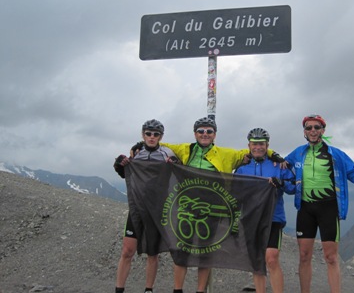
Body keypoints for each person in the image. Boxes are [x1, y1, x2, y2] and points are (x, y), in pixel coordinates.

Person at [156, 117, 283, 293]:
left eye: (209, 131)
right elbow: (160, 144)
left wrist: (273, 154)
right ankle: (177, 290)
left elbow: (256, 150)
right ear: (195, 134)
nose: (205, 134)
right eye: (201, 131)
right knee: (181, 251)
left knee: (205, 253)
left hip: (212, 209)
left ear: (215, 134)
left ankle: (200, 291)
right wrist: (138, 146)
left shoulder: (226, 154)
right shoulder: (185, 149)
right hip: (187, 208)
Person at [284, 114, 354, 293]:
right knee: (303, 256)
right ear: (304, 131)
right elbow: (282, 168)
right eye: (308, 128)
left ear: (323, 130)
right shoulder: (297, 153)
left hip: (329, 208)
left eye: (316, 127)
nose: (312, 131)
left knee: (331, 257)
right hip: (305, 208)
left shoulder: (337, 155)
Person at [113, 119, 177, 293]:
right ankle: (119, 289)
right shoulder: (136, 153)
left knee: (152, 252)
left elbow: (177, 176)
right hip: (138, 208)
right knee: (127, 250)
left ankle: (148, 289)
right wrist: (119, 164)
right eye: (148, 134)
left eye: (156, 134)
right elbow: (126, 174)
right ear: (143, 134)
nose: (152, 137)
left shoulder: (167, 153)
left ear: (161, 137)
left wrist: (175, 165)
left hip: (157, 209)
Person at [234, 128, 296, 293]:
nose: (258, 147)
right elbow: (236, 192)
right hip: (251, 218)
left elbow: (293, 187)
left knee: (271, 258)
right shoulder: (242, 168)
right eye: (254, 144)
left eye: (261, 144)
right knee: (257, 261)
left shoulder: (278, 165)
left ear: (267, 145)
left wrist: (281, 183)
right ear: (249, 145)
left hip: (273, 217)